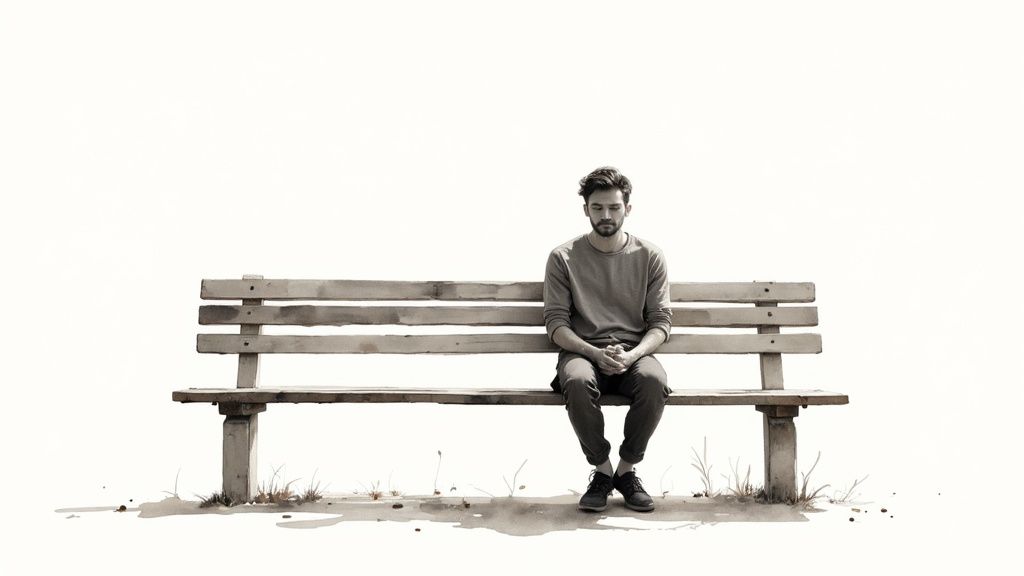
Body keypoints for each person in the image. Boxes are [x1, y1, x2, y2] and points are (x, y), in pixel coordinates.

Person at [543, 166, 673, 513]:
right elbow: (556, 324)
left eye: (614, 207)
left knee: (653, 380)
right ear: (585, 208)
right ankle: (602, 472)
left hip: (633, 352)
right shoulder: (563, 257)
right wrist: (593, 352)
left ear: (627, 208)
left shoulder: (649, 256)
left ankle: (626, 471)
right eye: (597, 207)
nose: (606, 215)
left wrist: (632, 356)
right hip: (582, 351)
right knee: (577, 379)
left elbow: (660, 322)